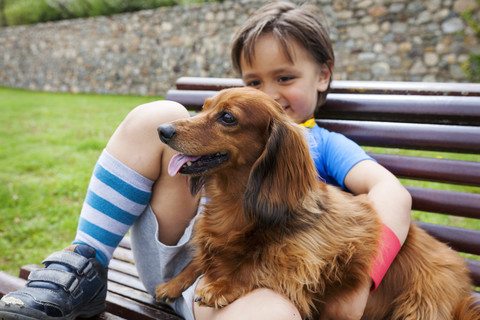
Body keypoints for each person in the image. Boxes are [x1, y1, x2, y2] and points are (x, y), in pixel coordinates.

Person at [0, 2, 411, 320]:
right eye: (253, 82)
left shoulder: (323, 144)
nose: (267, 94)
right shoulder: (220, 129)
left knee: (274, 315)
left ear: (322, 75)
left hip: (248, 284)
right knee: (155, 116)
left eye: (284, 78)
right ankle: (82, 267)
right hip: (182, 252)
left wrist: (362, 283)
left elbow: (392, 193)